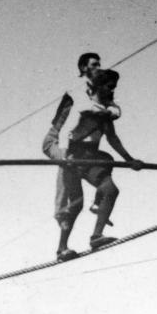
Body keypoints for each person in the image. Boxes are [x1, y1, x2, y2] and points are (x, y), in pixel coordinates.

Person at [42, 66, 142, 261]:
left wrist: (130, 160)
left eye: (114, 88)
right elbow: (75, 133)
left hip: (88, 158)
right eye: (109, 87)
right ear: (98, 87)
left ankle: (96, 236)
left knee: (110, 190)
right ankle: (62, 248)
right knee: (77, 203)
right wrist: (101, 116)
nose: (112, 92)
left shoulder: (103, 112)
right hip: (75, 158)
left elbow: (113, 138)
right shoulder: (88, 110)